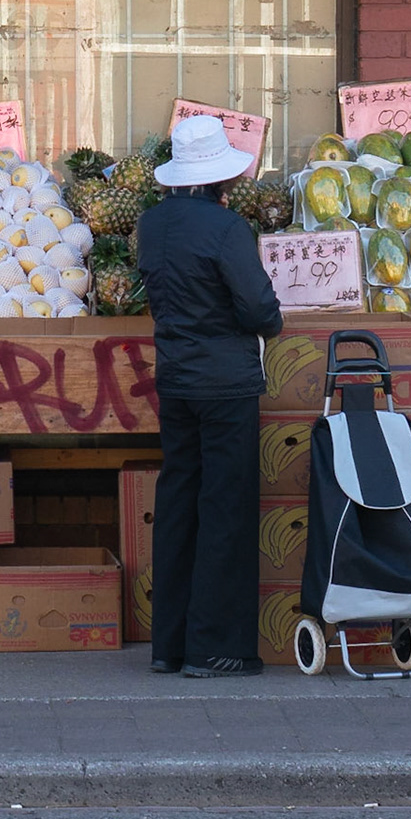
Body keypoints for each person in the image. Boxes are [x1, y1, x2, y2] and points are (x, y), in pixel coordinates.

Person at [135, 114, 283, 678]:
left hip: (175, 379)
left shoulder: (151, 223)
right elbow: (259, 309)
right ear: (220, 177)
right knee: (226, 510)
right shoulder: (226, 228)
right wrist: (268, 323)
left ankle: (168, 646)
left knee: (178, 504)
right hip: (225, 385)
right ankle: (215, 648)